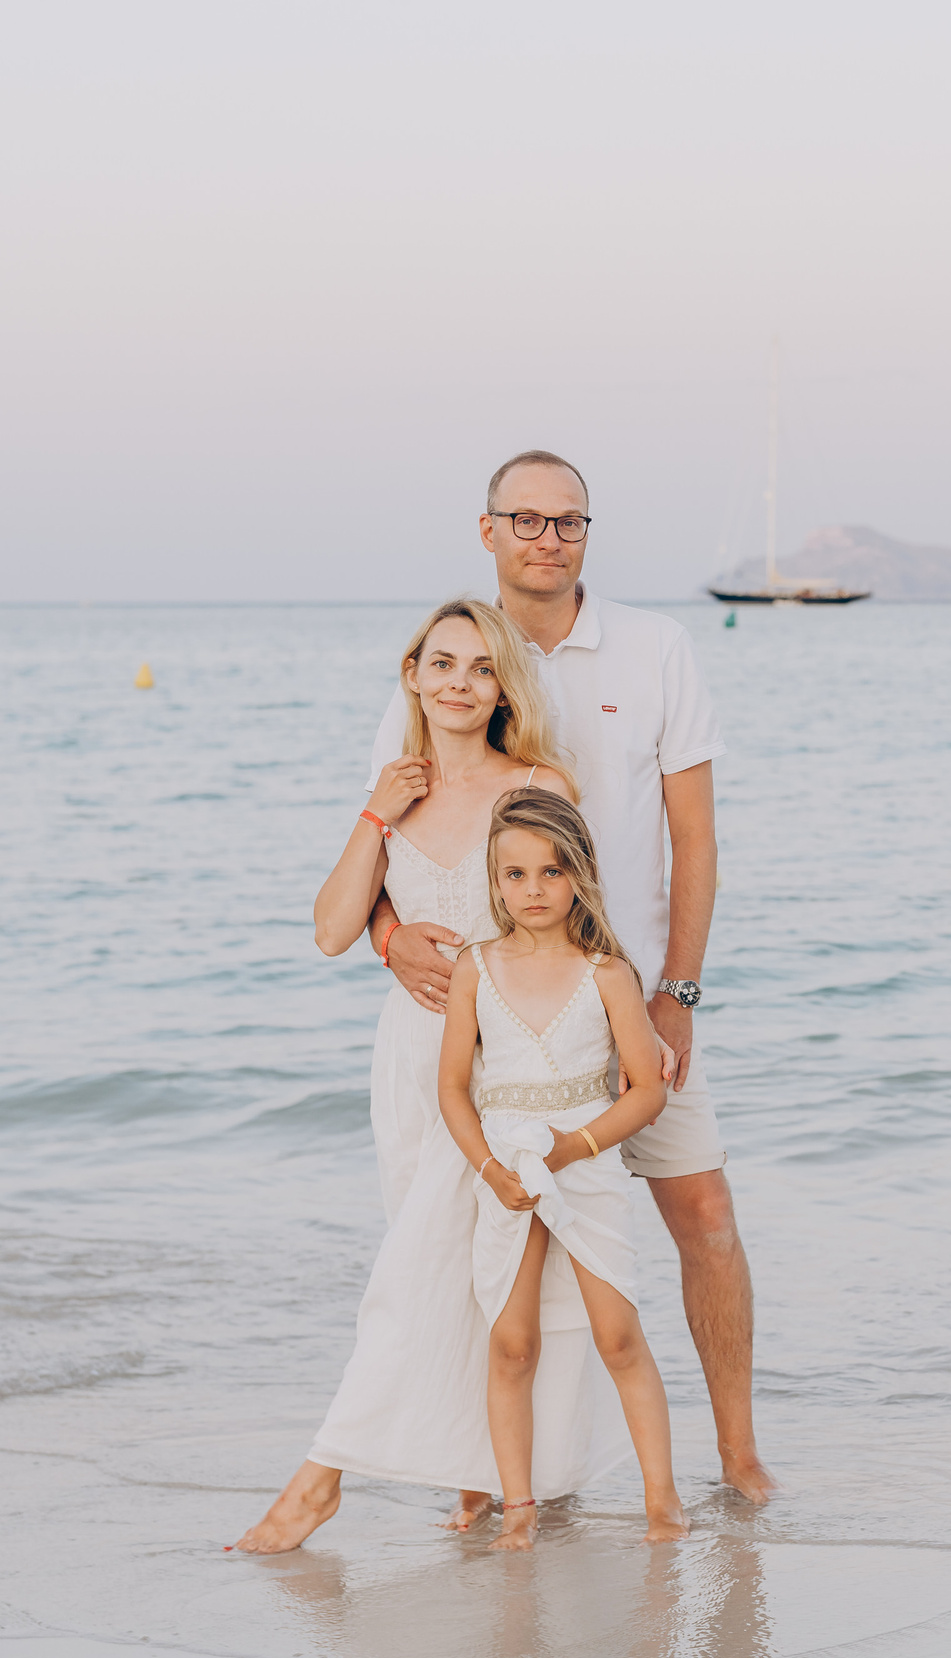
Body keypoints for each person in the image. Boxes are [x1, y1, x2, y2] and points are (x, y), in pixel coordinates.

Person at [370, 451, 775, 1508]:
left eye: (571, 522)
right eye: (529, 520)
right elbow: (388, 829)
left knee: (703, 1217)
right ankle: (488, 1482)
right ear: (488, 529)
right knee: (483, 1242)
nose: (550, 539)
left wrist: (674, 992)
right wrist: (383, 934)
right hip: (498, 1021)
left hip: (632, 1002)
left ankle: (736, 1458)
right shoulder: (453, 657)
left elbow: (696, 839)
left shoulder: (656, 648)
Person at [233, 597, 592, 1553]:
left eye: (480, 667)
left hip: (505, 1057)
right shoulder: (395, 786)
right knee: (439, 1262)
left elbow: (564, 917)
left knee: (434, 1271)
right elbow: (332, 930)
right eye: (442, 664)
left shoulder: (539, 781)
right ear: (412, 675)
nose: (460, 683)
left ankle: (318, 1483)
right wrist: (376, 819)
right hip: (408, 1057)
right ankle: (477, 1477)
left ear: (503, 684)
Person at [440, 789, 687, 1549]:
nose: (533, 890)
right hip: (508, 1164)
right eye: (515, 874)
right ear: (494, 879)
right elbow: (451, 1086)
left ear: (579, 873)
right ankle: (518, 1505)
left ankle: (662, 1499)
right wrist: (490, 1168)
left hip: (584, 1159)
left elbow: (646, 1091)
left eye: (551, 871)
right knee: (513, 1340)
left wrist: (573, 1148)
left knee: (618, 1333)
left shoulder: (608, 973)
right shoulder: (475, 968)